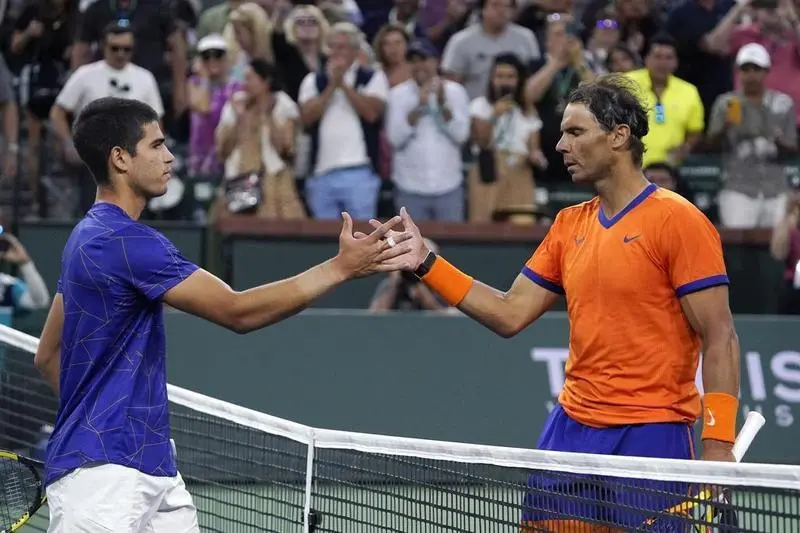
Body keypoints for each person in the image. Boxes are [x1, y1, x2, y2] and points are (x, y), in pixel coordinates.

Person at [33, 97, 415, 533]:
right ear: (120, 158)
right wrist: (341, 267)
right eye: (156, 145)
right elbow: (238, 311)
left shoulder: (83, 239)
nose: (170, 156)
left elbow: (46, 356)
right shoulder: (127, 242)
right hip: (106, 482)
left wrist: (93, 425)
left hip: (149, 467)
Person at [376, 74, 741, 531]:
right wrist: (427, 263)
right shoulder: (569, 225)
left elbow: (720, 334)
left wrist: (719, 441)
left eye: (575, 132)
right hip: (569, 432)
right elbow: (510, 313)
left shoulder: (679, 221)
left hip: (650, 435)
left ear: (618, 136)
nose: (560, 146)